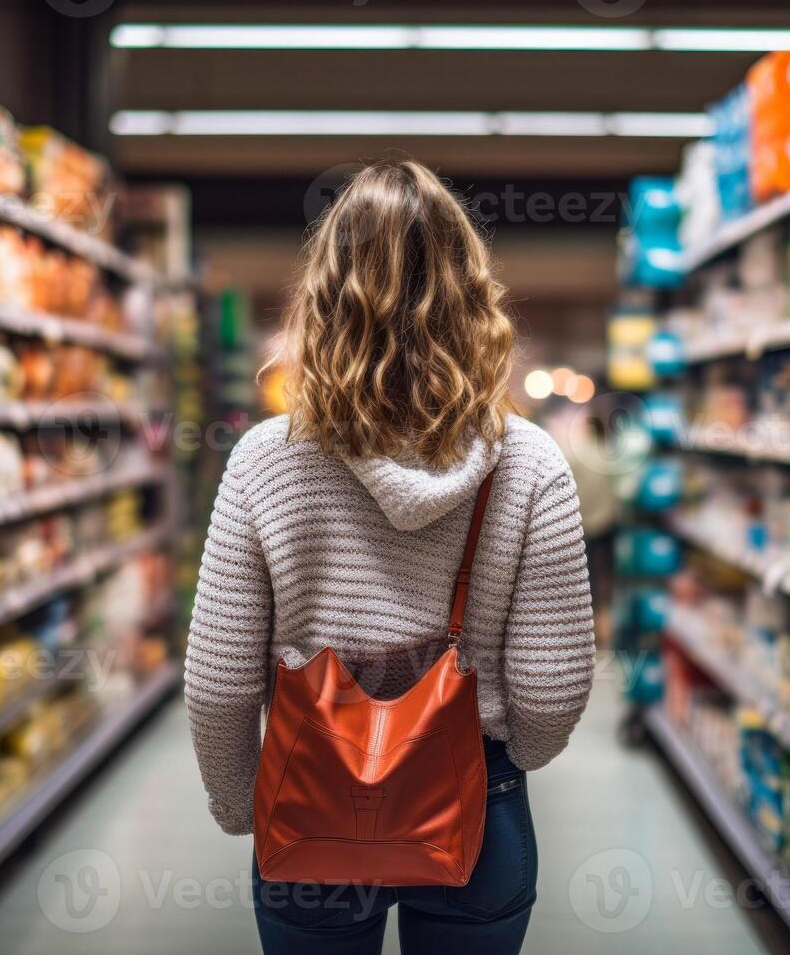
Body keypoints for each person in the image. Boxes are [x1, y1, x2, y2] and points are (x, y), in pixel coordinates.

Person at [185, 158, 596, 955]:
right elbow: (554, 683)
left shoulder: (266, 458)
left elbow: (217, 678)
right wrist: (509, 762)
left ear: (325, 299)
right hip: (474, 803)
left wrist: (240, 803)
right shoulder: (532, 462)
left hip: (309, 798)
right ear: (472, 300)